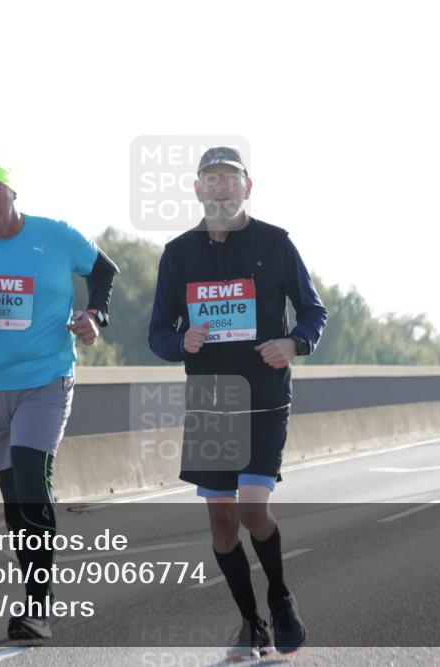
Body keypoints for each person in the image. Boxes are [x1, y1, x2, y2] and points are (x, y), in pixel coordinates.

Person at [148, 147, 327, 660]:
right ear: (197, 189)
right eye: (211, 180)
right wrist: (181, 343)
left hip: (264, 398)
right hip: (211, 401)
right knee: (222, 523)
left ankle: (281, 597)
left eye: (230, 179)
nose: (221, 188)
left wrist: (294, 343)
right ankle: (252, 626)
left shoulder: (276, 243)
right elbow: (158, 332)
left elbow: (314, 311)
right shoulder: (178, 253)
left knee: (252, 508)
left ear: (247, 188)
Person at [0, 157, 118, 639]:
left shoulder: (55, 236)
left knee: (32, 478)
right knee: (14, 499)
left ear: (13, 195)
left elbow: (104, 271)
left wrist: (96, 313)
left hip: (47, 378)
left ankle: (39, 607)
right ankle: (34, 595)